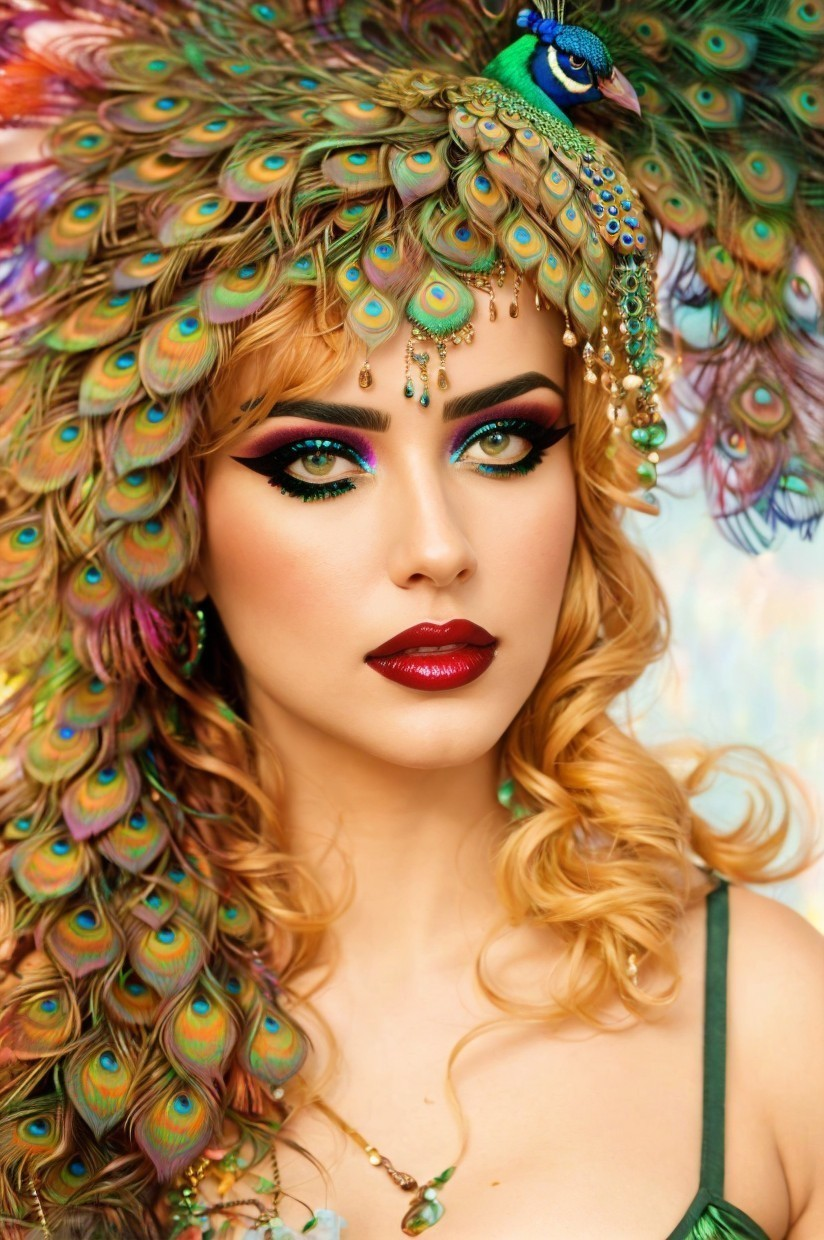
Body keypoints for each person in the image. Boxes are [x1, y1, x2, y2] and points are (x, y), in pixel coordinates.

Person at [0, 2, 821, 1238]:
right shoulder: (29, 1014)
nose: (437, 548)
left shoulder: (768, 1020)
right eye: (320, 463)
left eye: (502, 441)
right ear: (167, 518)